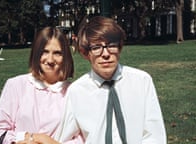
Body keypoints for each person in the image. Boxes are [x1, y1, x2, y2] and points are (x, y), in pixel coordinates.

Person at [55, 16, 167, 144]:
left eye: (111, 45)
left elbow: (154, 134)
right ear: (86, 53)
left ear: (120, 48)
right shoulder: (77, 91)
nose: (106, 54)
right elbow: (66, 139)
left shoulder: (142, 81)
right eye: (96, 47)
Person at [0, 27, 83, 144]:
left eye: (57, 53)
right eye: (44, 52)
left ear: (65, 57)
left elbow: (82, 137)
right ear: (36, 54)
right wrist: (26, 139)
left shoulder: (75, 92)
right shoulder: (15, 86)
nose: (50, 60)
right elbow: (0, 130)